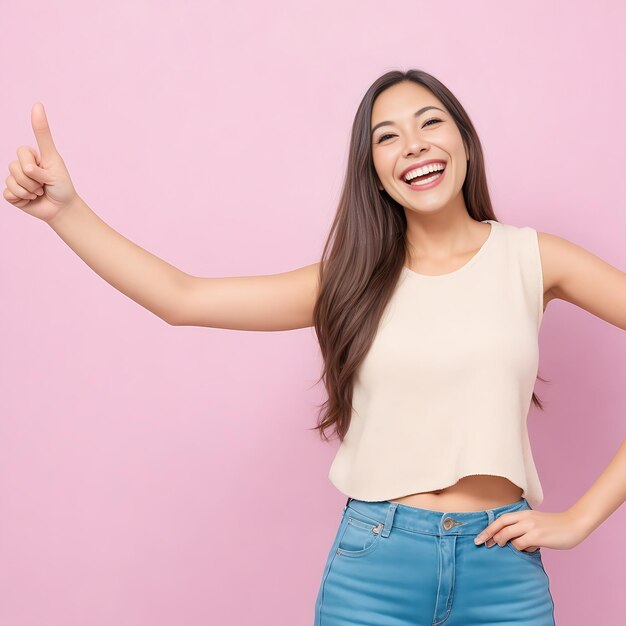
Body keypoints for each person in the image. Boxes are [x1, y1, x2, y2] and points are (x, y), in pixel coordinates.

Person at [5, 69, 626, 626]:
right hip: (374, 570)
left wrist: (581, 519)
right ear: (374, 172)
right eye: (387, 137)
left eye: (430, 122)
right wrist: (66, 212)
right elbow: (182, 298)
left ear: (463, 139)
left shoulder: (532, 258)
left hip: (503, 573)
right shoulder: (349, 279)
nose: (413, 144)